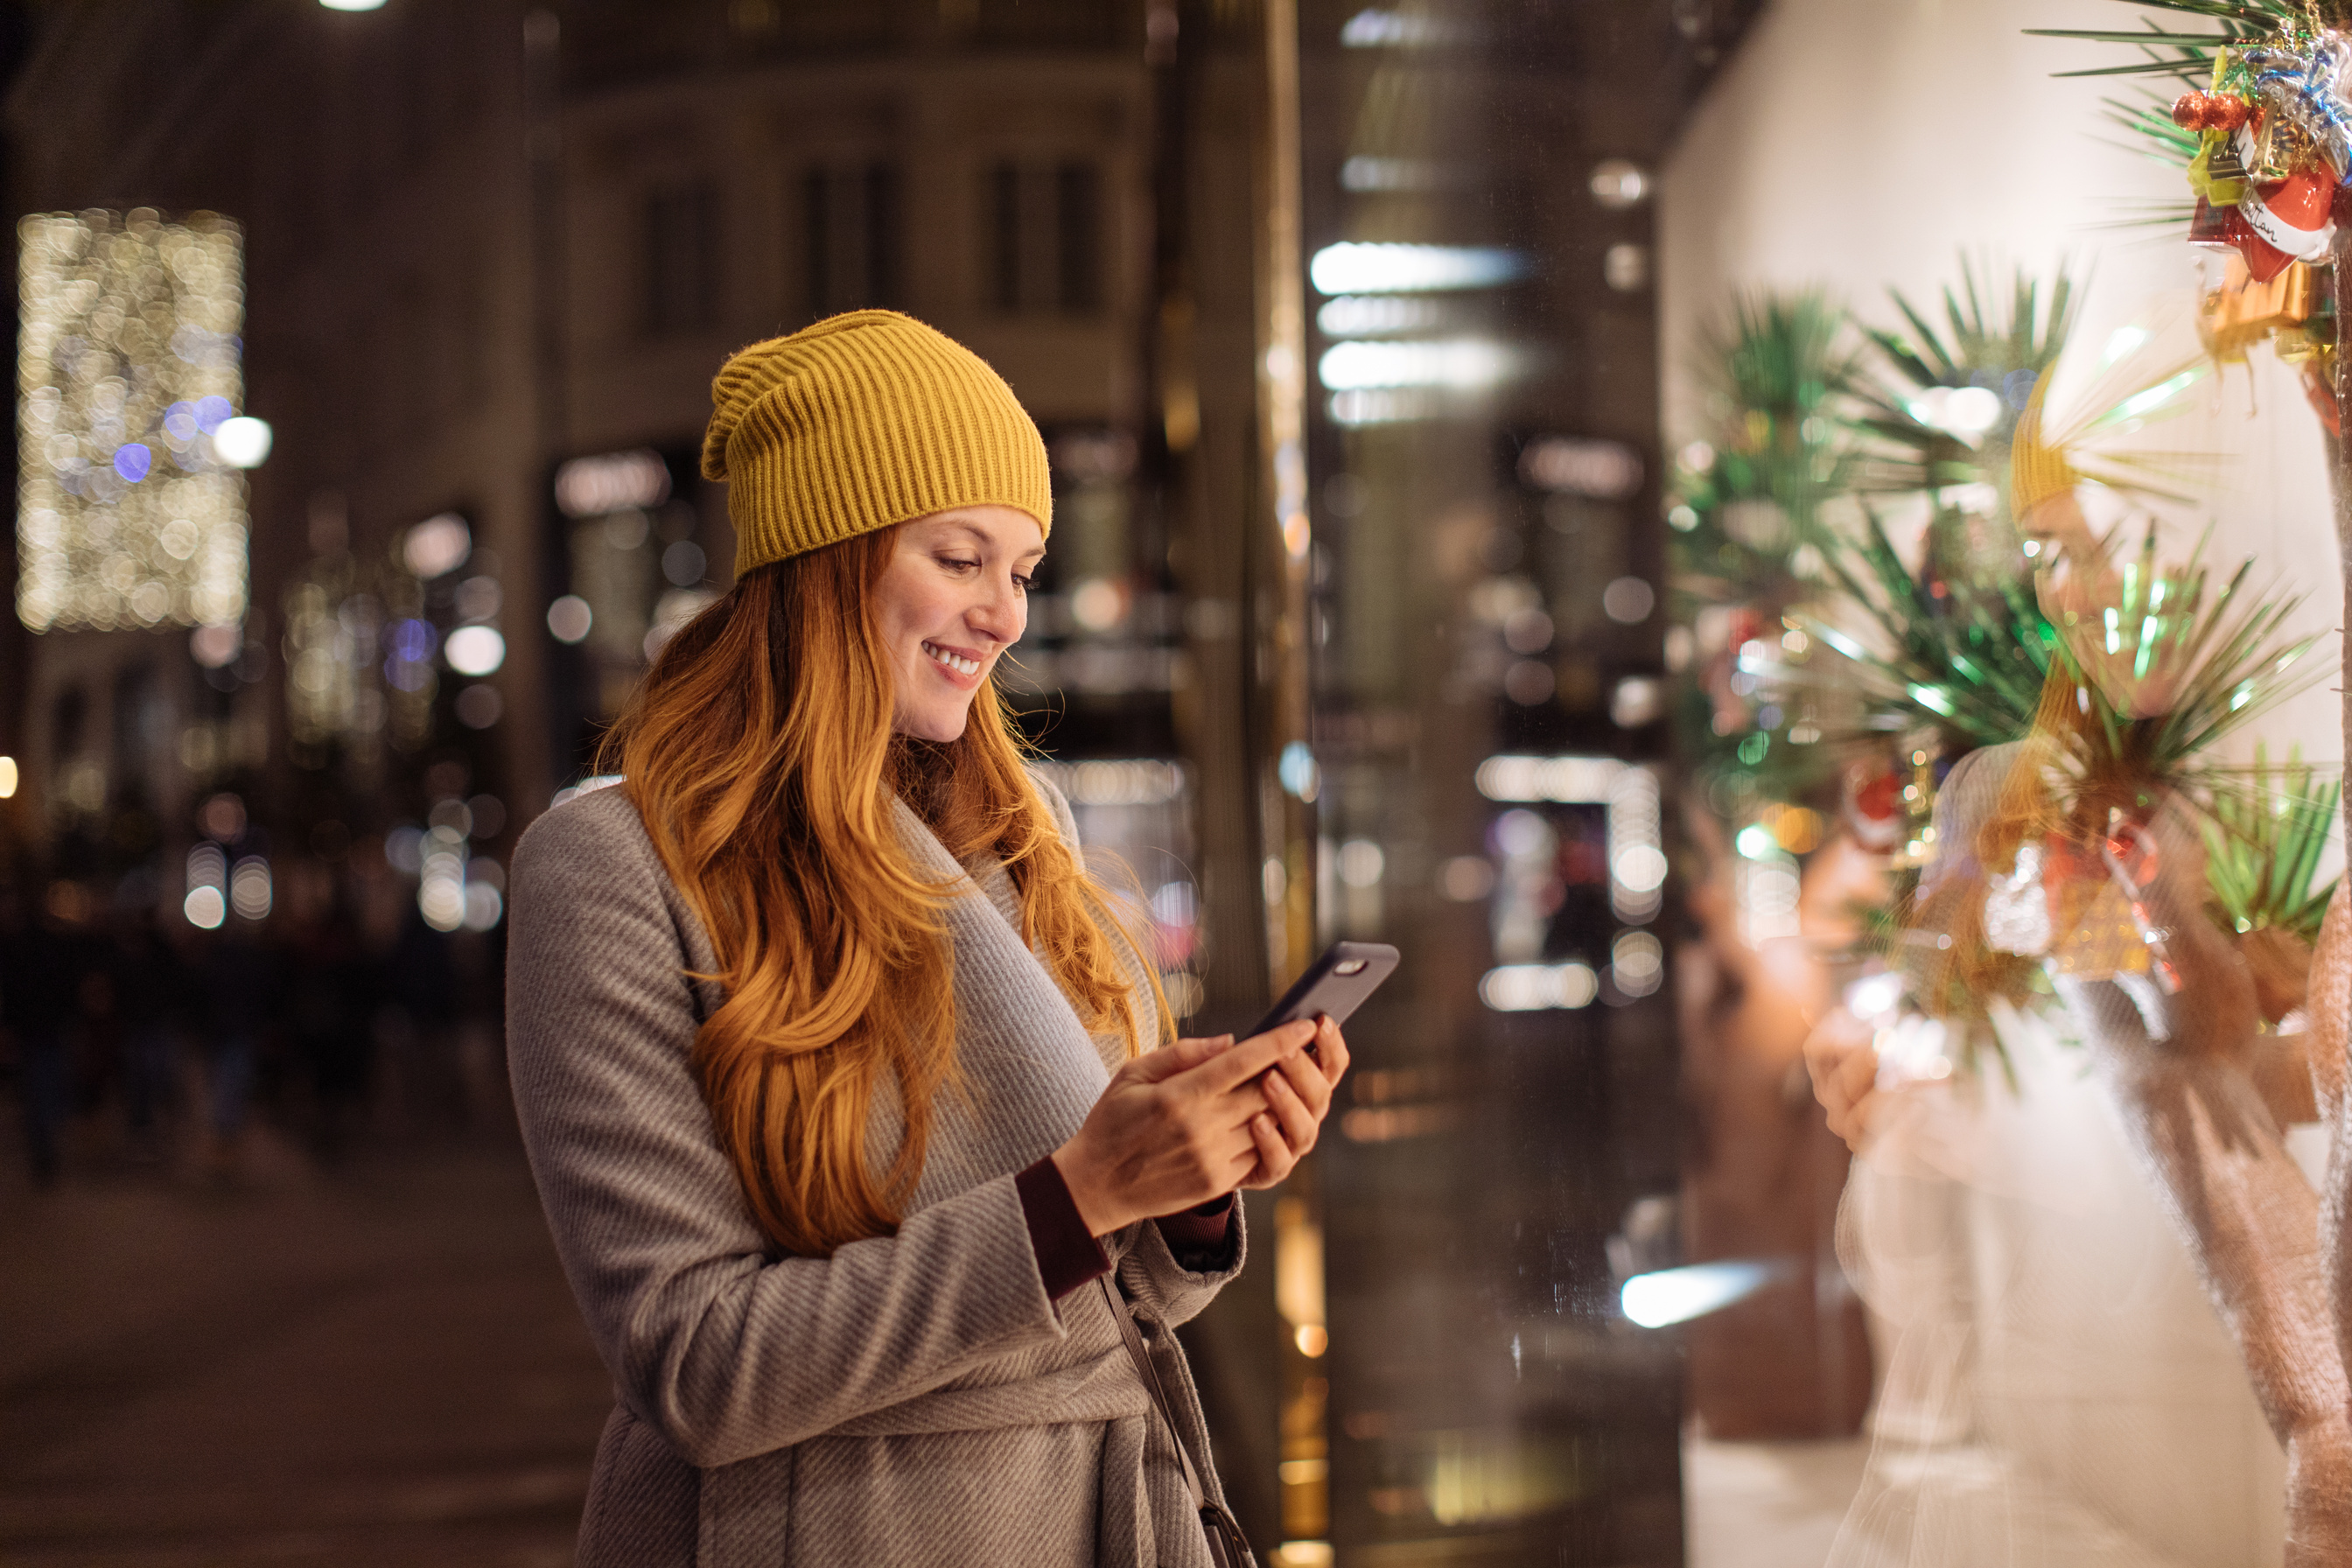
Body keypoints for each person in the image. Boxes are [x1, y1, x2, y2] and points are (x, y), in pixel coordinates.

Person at [506, 310, 1348, 1567]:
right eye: (961, 558)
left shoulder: (1027, 830)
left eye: (1024, 569)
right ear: (826, 562)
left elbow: (1113, 1299)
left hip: (1106, 1515)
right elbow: (696, 1366)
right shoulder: (617, 865)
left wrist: (1190, 1190)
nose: (1004, 615)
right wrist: (1083, 1193)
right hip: (829, 1529)